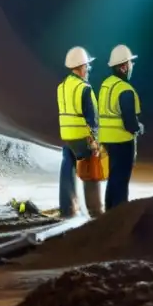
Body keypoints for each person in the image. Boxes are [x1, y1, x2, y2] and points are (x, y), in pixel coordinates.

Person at [57, 46, 103, 218]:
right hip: (82, 137)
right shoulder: (85, 88)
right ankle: (95, 211)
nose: (88, 69)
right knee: (91, 172)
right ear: (81, 67)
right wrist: (95, 141)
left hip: (67, 137)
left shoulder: (61, 87)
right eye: (87, 66)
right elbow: (92, 118)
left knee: (67, 170)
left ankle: (67, 209)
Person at [98, 44, 143, 210]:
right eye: (130, 64)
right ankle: (119, 215)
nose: (132, 67)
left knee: (113, 179)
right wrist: (138, 128)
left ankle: (109, 213)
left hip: (106, 140)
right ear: (123, 67)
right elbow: (130, 123)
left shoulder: (105, 85)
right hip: (122, 140)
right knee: (121, 181)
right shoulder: (125, 89)